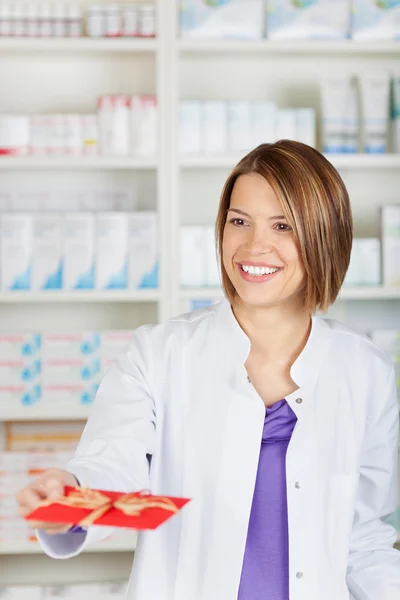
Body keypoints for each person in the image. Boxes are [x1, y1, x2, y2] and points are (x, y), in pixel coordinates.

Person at [17, 140, 400, 600]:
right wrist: (71, 495)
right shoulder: (159, 355)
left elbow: (362, 535)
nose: (255, 245)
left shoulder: (364, 372)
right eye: (239, 221)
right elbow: (110, 465)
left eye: (282, 226)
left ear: (324, 234)